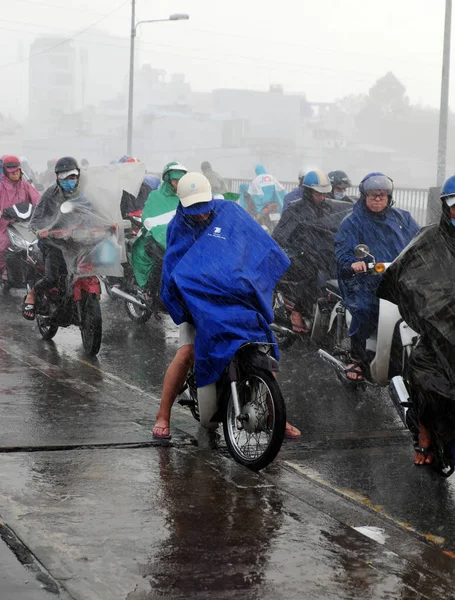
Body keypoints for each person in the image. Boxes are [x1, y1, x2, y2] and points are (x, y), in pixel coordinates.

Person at [152, 172, 301, 440]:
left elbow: (257, 245)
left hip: (233, 297)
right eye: (193, 210)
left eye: (203, 208)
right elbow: (173, 266)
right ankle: (163, 414)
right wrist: (179, 301)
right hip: (198, 302)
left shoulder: (231, 213)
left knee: (258, 348)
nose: (200, 215)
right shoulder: (179, 225)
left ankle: (278, 415)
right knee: (186, 352)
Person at [378, 175, 455, 466]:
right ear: (446, 208)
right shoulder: (429, 240)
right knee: (426, 379)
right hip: (439, 336)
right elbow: (402, 277)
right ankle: (424, 436)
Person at [335, 172, 420, 381]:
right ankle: (356, 357)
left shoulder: (403, 218)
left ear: (389, 197)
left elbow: (420, 240)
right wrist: (354, 264)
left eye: (382, 195)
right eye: (372, 194)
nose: (377, 198)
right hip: (366, 282)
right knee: (364, 309)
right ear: (364, 196)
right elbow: (343, 252)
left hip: (399, 280)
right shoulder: (352, 222)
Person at [273, 170, 351, 333]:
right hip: (299, 254)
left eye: (324, 194)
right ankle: (297, 311)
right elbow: (280, 236)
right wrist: (299, 245)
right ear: (308, 192)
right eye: (318, 194)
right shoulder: (295, 209)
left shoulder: (330, 208)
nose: (322, 197)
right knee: (313, 272)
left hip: (324, 253)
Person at [22, 156, 82, 320]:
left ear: (78, 175)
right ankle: (32, 295)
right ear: (57, 177)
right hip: (54, 243)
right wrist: (41, 230)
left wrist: (109, 224)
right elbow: (35, 220)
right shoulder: (50, 193)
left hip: (78, 242)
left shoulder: (84, 192)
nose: (69, 181)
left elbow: (96, 212)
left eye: (72, 176)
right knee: (51, 278)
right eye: (65, 177)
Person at [130, 161, 187, 291]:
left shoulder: (184, 197)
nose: (178, 184)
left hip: (178, 239)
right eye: (175, 181)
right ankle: (154, 292)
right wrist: (163, 235)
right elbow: (149, 219)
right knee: (163, 262)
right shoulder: (155, 196)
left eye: (181, 181)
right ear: (167, 180)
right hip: (153, 239)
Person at [0, 156, 40, 282]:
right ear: (6, 171)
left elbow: (38, 200)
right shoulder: (1, 188)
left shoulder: (26, 186)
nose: (15, 174)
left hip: (26, 225)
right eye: (12, 172)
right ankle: (4, 270)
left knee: (38, 246)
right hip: (5, 226)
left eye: (17, 171)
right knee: (3, 246)